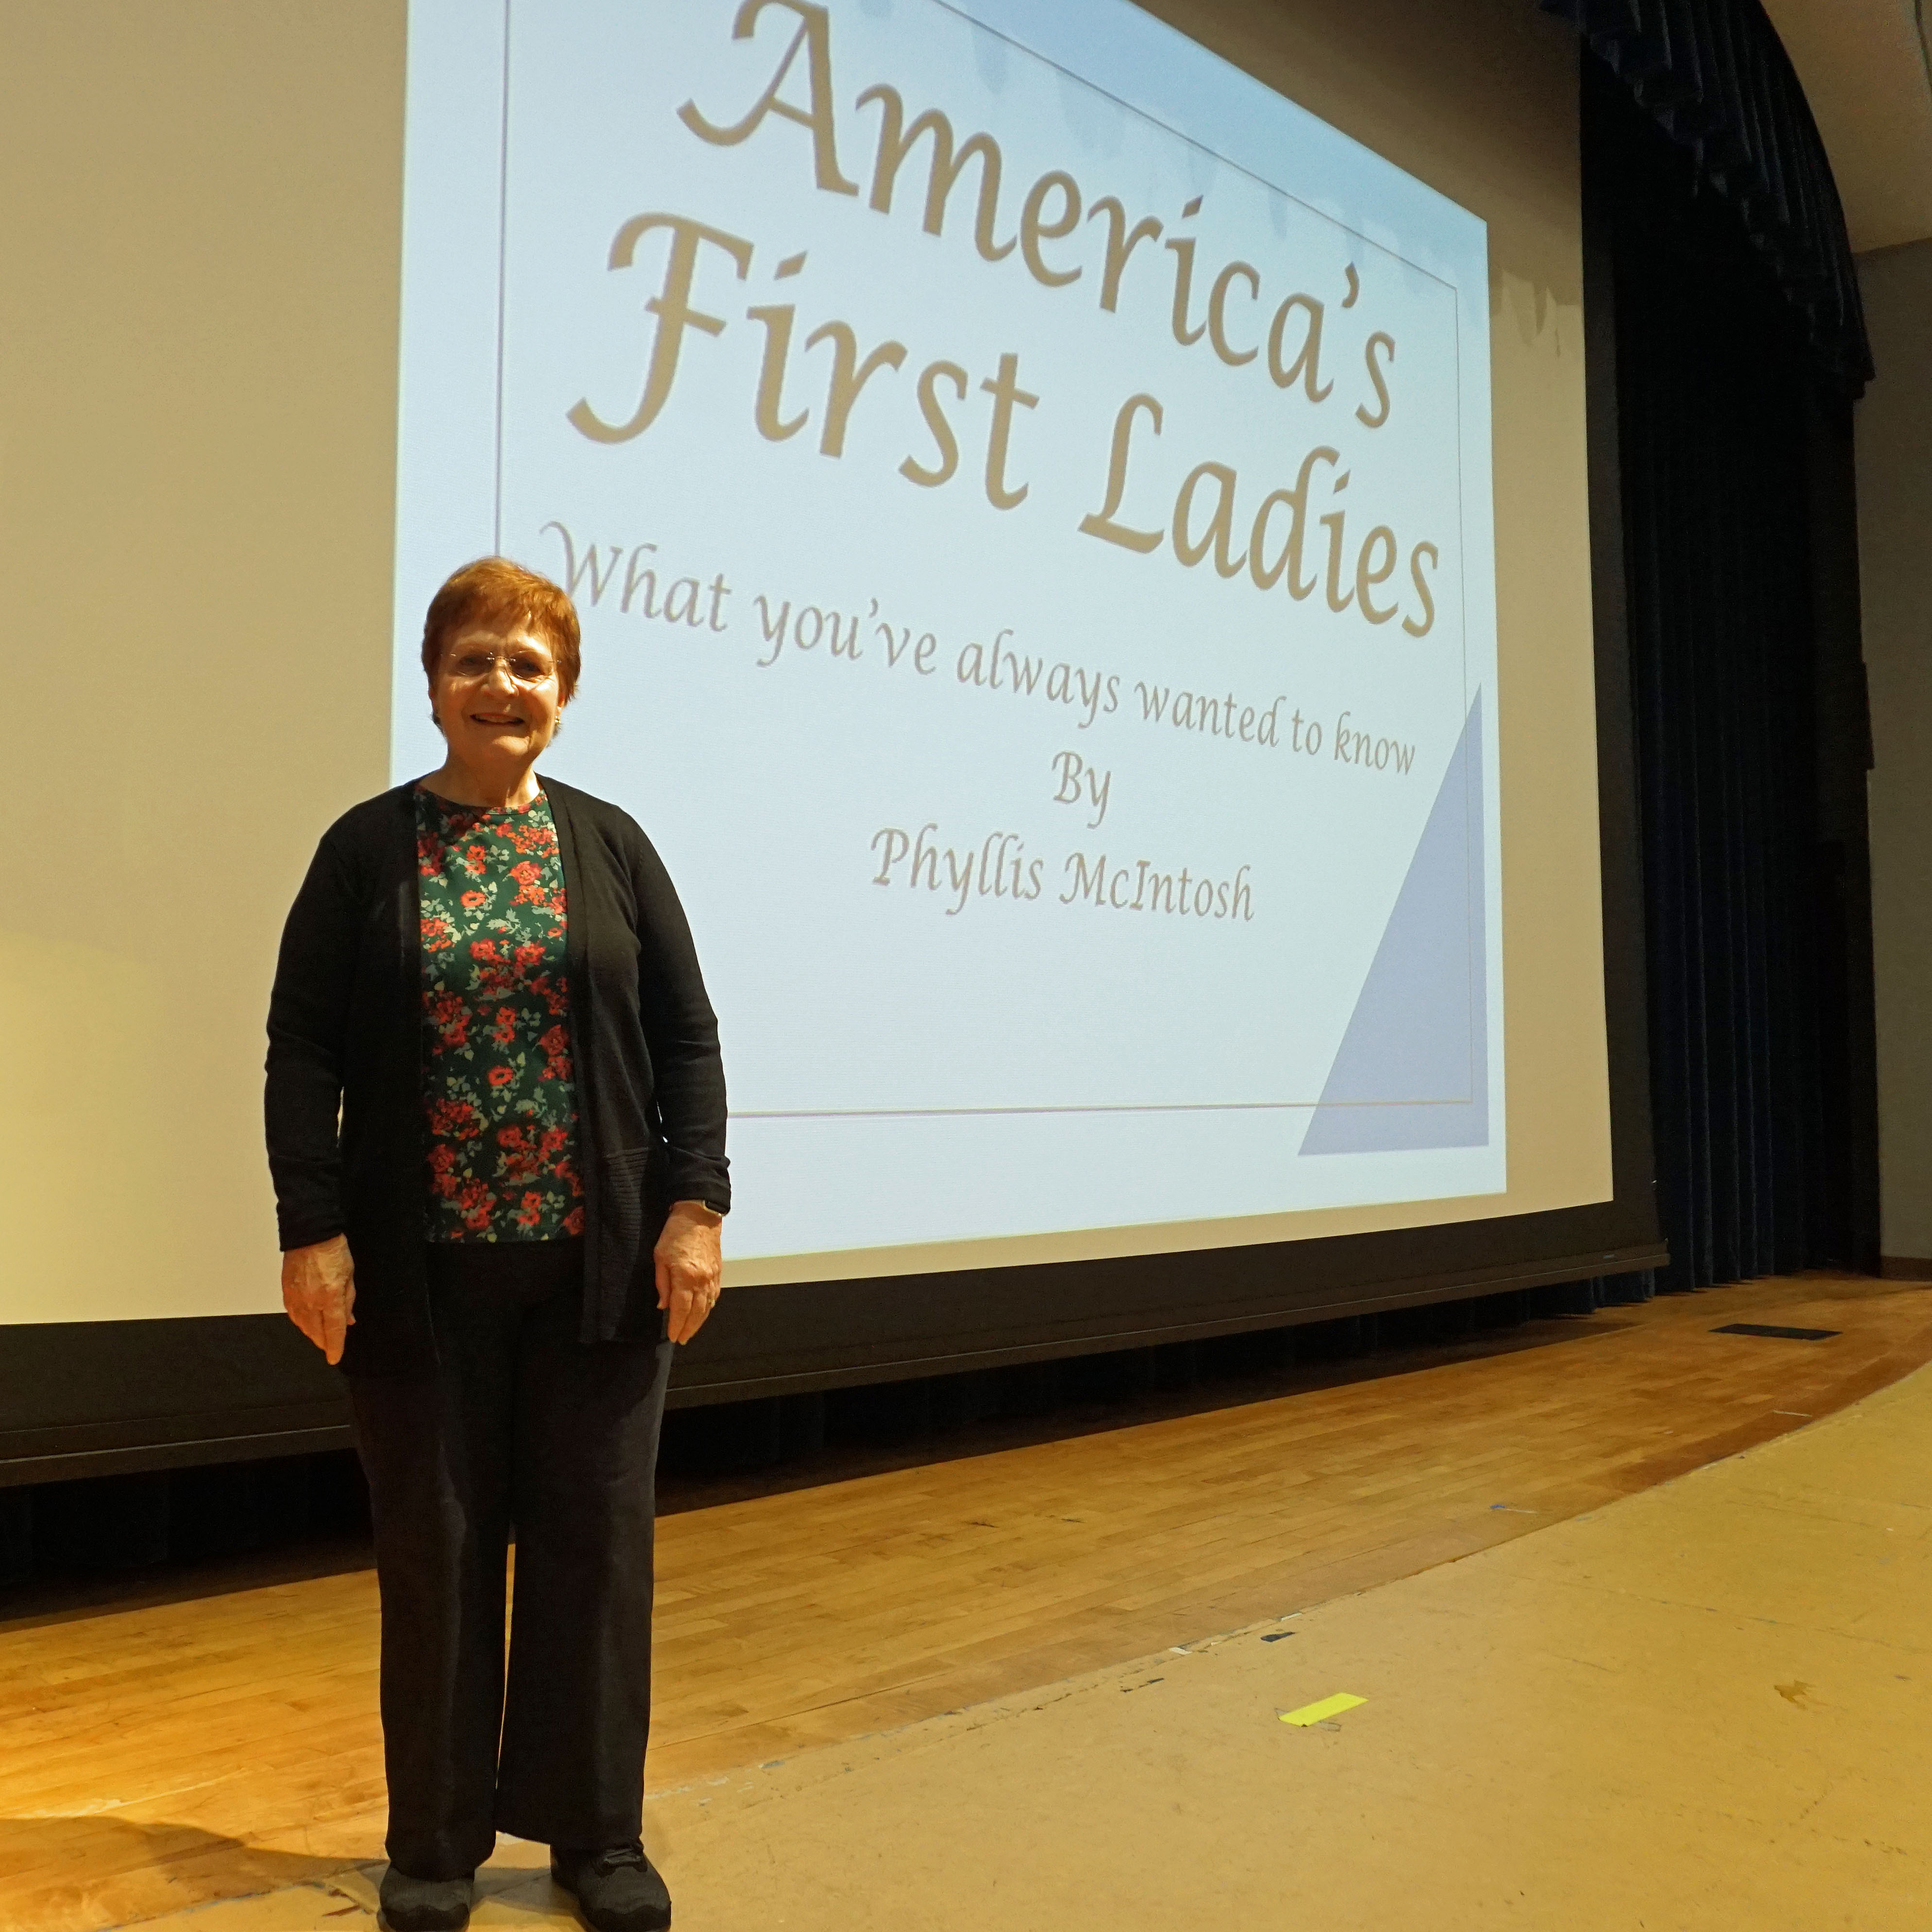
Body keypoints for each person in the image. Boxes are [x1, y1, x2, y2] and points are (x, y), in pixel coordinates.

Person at [265, 557, 729, 1932]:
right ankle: (434, 1843)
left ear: (564, 693)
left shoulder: (613, 846)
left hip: (601, 1277)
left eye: (529, 663)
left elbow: (688, 1039)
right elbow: (302, 1050)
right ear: (433, 685)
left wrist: (695, 1206)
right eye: (475, 658)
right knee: (438, 1552)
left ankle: (598, 1838)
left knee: (598, 1555)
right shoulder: (365, 850)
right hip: (418, 1281)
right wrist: (313, 1228)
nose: (501, 684)